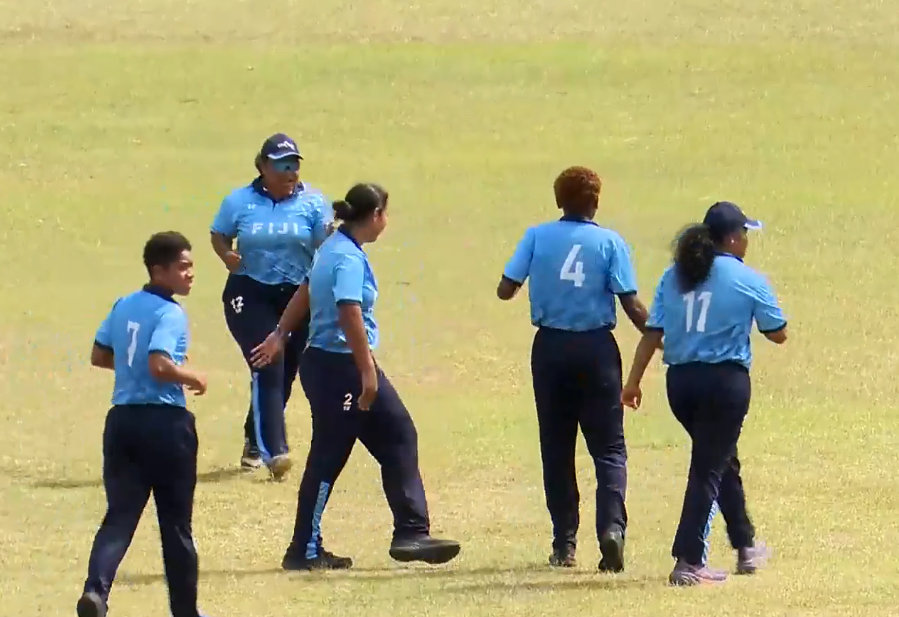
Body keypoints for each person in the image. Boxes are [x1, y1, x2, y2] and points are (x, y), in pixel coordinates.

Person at [249, 183, 461, 570]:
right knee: (328, 458)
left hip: (332, 364)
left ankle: (412, 532)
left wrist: (281, 333)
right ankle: (303, 549)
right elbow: (349, 312)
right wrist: (367, 372)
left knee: (398, 435)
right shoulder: (345, 257)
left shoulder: (333, 245)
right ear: (376, 215)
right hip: (340, 368)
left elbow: (307, 290)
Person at [621, 201, 786, 586]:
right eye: (744, 234)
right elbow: (777, 332)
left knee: (720, 459)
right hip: (724, 385)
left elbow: (652, 334)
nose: (746, 241)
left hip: (681, 384)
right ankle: (688, 561)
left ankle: (746, 547)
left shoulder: (674, 275)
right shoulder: (747, 278)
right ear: (731, 238)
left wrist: (632, 382)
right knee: (708, 468)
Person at [496, 166, 652, 572]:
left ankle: (564, 544)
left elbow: (505, 289)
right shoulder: (609, 242)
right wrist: (662, 337)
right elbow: (631, 303)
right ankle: (612, 530)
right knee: (609, 449)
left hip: (550, 349)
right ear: (596, 201)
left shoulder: (536, 236)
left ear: (558, 201)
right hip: (597, 349)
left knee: (557, 446)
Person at [76, 232, 209, 617]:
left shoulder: (124, 305)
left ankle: (96, 593)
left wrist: (131, 369)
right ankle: (185, 612)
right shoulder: (170, 313)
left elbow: (100, 354)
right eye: (182, 266)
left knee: (119, 516)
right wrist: (192, 377)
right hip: (166, 425)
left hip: (122, 422)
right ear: (159, 270)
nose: (190, 274)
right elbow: (159, 364)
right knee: (176, 526)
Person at [210, 133, 333, 480]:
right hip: (249, 293)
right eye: (281, 165)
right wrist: (226, 255)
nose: (289, 172)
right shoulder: (239, 201)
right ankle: (275, 450)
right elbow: (219, 235)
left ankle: (253, 437)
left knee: (287, 368)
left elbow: (326, 246)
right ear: (263, 167)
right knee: (269, 358)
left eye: (294, 165)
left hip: (298, 295)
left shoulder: (313, 203)